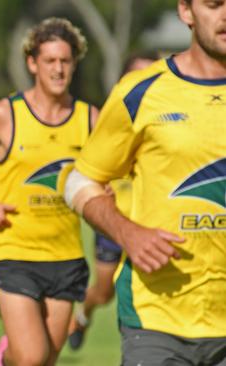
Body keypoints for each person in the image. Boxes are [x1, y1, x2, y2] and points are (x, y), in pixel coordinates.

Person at [63, 0, 226, 364]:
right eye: (214, 4)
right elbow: (79, 182)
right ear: (186, 12)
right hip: (157, 319)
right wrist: (127, 233)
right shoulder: (140, 92)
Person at [0, 18, 97, 366]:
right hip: (13, 248)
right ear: (33, 63)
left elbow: (105, 172)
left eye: (65, 61)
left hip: (66, 254)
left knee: (47, 359)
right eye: (50, 61)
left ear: (74, 64)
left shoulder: (89, 119)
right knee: (31, 357)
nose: (58, 69)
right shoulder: (6, 114)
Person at [67, 50, 159, 351]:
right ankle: (83, 313)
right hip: (113, 220)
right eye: (137, 75)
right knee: (105, 291)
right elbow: (86, 168)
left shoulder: (169, 118)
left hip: (153, 222)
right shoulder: (110, 118)